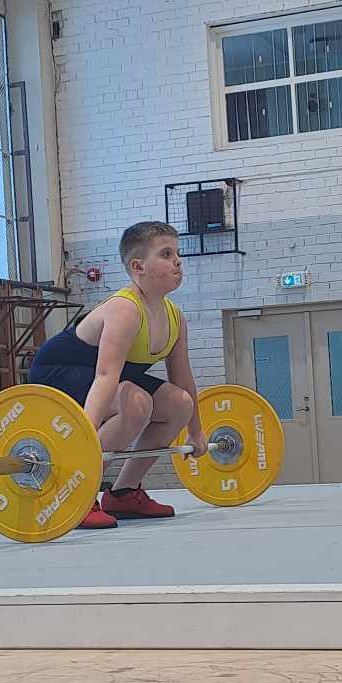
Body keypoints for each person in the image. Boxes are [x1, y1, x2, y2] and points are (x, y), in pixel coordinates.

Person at [28, 221, 207, 528]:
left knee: (179, 403)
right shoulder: (125, 309)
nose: (177, 261)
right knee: (136, 404)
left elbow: (183, 379)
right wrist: (83, 438)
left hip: (108, 377)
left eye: (177, 253)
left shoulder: (175, 318)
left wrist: (196, 432)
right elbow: (105, 377)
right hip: (59, 372)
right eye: (166, 254)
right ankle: (74, 492)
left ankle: (124, 494)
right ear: (138, 267)